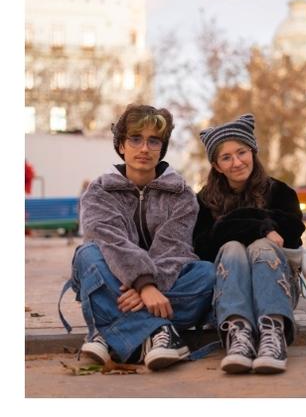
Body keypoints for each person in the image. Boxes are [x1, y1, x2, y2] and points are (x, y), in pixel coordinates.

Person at [63, 104, 215, 370]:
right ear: (121, 146)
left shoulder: (181, 195)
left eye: (153, 141)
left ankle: (108, 333)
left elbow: (174, 249)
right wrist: (144, 286)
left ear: (161, 148)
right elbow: (111, 242)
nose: (144, 148)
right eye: (135, 139)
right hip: (118, 277)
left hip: (158, 284)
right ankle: (161, 335)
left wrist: (149, 286)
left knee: (207, 274)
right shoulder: (100, 191)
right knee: (88, 255)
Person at [193, 114, 306, 374]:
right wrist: (261, 227)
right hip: (228, 289)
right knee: (231, 248)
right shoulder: (203, 201)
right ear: (217, 165)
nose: (236, 162)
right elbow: (203, 247)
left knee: (260, 248)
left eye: (241, 152)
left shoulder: (281, 193)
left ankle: (273, 332)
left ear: (253, 151)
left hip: (278, 288)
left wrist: (239, 228)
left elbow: (291, 232)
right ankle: (238, 333)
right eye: (226, 157)